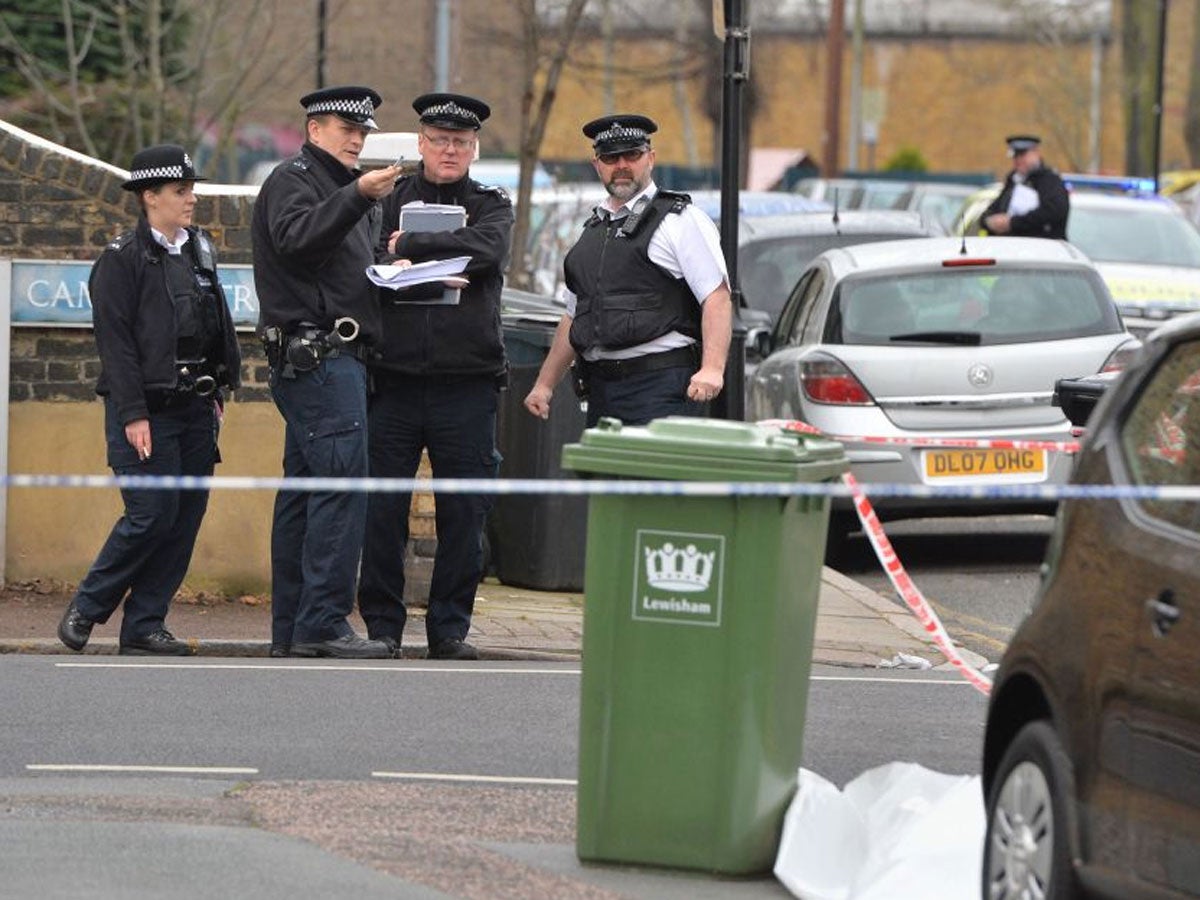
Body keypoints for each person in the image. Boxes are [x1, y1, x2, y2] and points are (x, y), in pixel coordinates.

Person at [57, 144, 242, 655]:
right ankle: (88, 607)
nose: (191, 200)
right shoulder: (123, 259)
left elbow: (211, 323)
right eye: (181, 192)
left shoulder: (198, 248)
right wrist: (134, 413)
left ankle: (144, 624)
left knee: (182, 519)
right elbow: (115, 344)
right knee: (150, 514)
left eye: (192, 190)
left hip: (196, 409)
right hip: (146, 412)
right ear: (149, 196)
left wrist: (221, 385)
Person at [356, 92, 513, 662]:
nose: (450, 150)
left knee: (464, 514)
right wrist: (430, 268)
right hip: (392, 380)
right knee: (381, 511)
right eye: (440, 140)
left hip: (466, 381)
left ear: (474, 148)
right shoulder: (388, 198)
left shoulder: (492, 202)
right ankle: (381, 626)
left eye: (461, 142)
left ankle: (449, 629)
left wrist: (415, 249)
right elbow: (371, 261)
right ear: (421, 143)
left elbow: (489, 251)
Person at [252, 85, 402, 659]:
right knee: (341, 487)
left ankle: (292, 627)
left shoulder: (347, 190)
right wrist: (359, 195)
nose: (358, 138)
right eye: (347, 129)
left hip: (339, 359)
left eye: (363, 130)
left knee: (306, 492)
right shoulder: (295, 179)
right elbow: (296, 243)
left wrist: (397, 268)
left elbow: (348, 268)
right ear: (314, 130)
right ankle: (322, 622)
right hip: (316, 359)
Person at [522, 114, 732, 427]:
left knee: (653, 477)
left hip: (661, 386)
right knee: (600, 476)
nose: (621, 165)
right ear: (597, 165)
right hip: (601, 391)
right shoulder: (594, 228)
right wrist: (544, 384)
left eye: (632, 154)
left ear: (651, 159)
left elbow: (716, 297)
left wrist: (713, 368)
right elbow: (575, 314)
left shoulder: (681, 220)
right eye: (610, 157)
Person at [980, 134, 1069, 240]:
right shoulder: (1013, 181)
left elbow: (1053, 212)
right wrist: (989, 221)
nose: (1017, 160)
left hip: (1043, 248)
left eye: (1022, 155)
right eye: (1015, 156)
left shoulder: (1049, 181)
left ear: (1036, 153)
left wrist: (1012, 223)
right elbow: (994, 209)